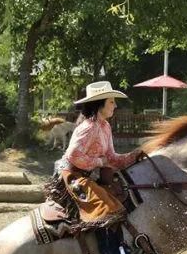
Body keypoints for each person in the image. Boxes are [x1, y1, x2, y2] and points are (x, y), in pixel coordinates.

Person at [55, 81, 143, 224]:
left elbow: (111, 157)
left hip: (90, 175)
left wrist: (133, 156)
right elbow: (74, 155)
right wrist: (99, 162)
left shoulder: (105, 126)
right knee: (106, 210)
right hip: (73, 175)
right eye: (111, 102)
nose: (115, 106)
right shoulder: (89, 127)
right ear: (99, 103)